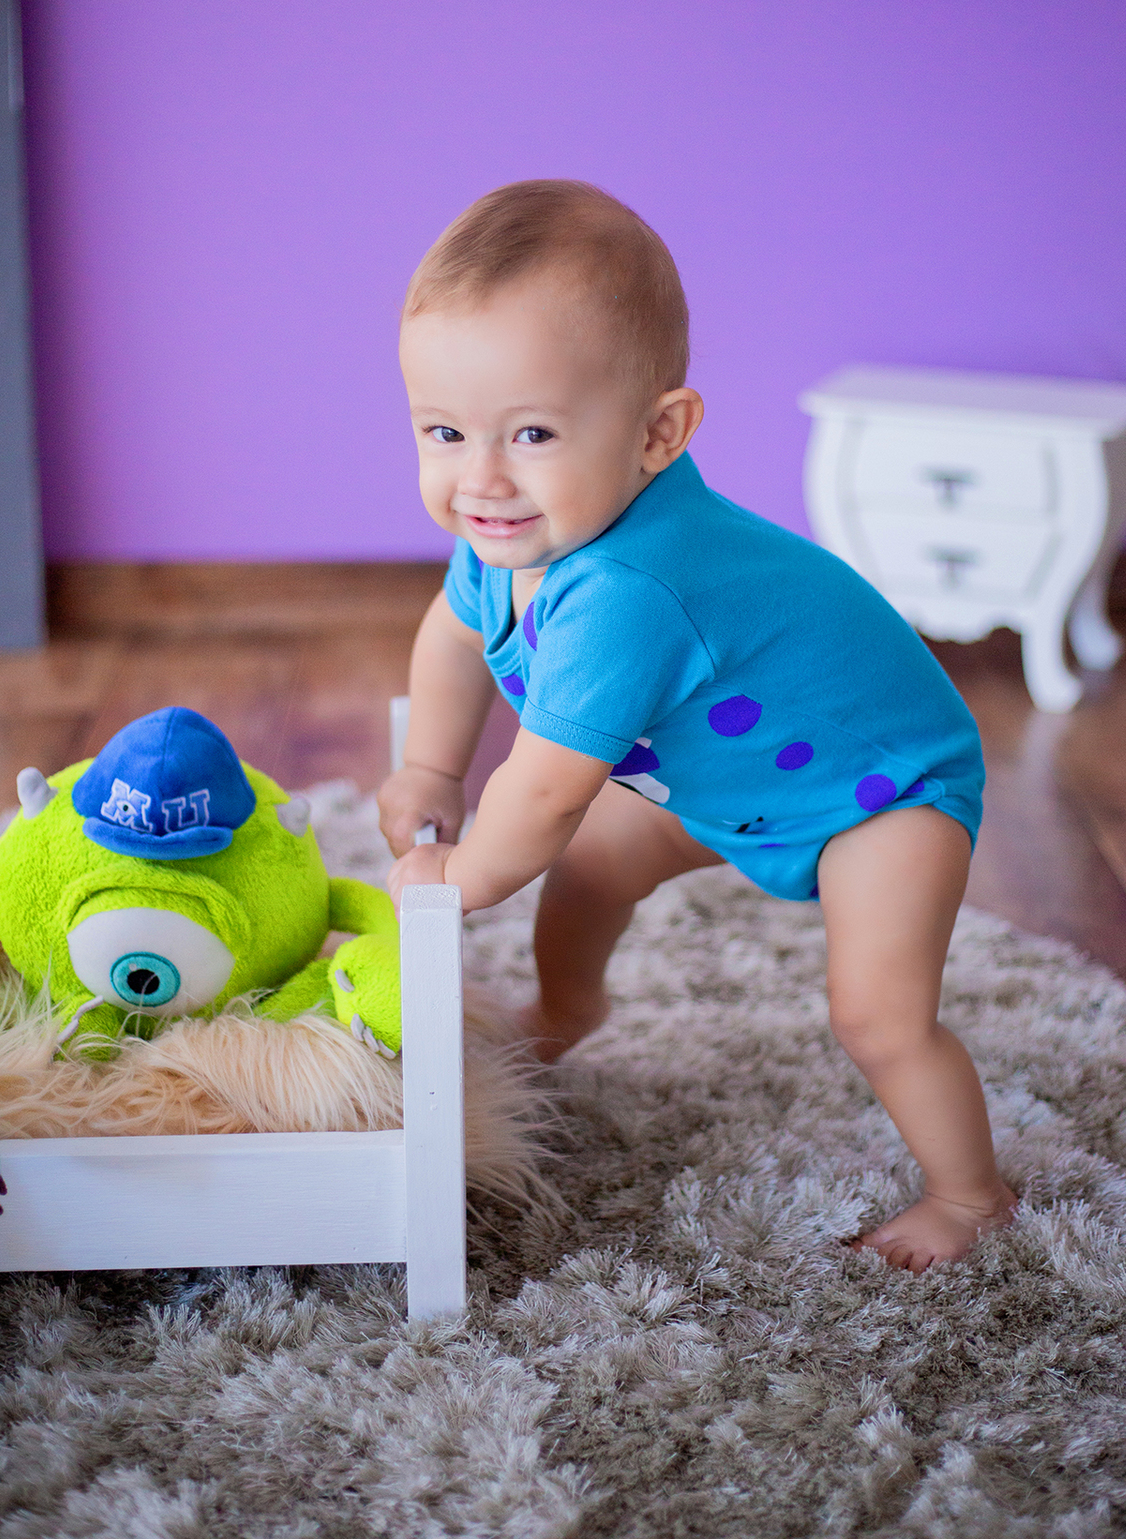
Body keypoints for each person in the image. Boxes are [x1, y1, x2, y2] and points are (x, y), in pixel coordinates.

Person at [377, 179, 1016, 1272]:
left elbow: (543, 791)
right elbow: (451, 629)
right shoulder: (512, 531)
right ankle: (563, 1007)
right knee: (591, 872)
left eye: (531, 432)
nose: (479, 478)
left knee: (878, 1015)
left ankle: (970, 1197)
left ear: (656, 433)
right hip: (723, 779)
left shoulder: (628, 588)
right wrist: (434, 764)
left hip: (880, 791)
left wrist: (460, 875)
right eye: (445, 431)